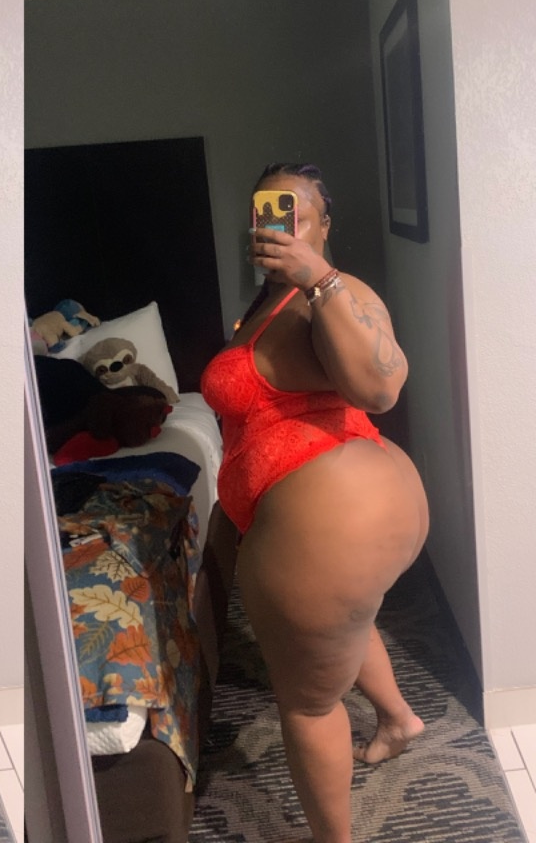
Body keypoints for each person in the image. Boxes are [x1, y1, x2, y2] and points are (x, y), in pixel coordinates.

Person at [199, 163, 429, 843]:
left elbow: (380, 388)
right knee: (347, 626)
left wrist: (320, 278)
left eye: (295, 209)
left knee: (306, 705)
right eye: (267, 207)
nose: (278, 220)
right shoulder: (268, 304)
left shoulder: (337, 291)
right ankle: (398, 718)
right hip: (361, 515)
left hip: (336, 516)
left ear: (324, 225)